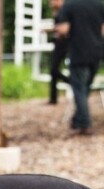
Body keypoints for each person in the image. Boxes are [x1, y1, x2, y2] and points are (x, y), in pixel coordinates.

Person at [56, 0, 104, 135]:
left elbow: (64, 28)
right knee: (85, 87)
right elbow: (102, 29)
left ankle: (84, 123)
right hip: (96, 51)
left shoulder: (70, 5)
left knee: (79, 88)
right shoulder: (98, 4)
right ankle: (78, 119)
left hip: (79, 51)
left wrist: (57, 30)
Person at [47, 0, 70, 105]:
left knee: (53, 69)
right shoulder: (57, 11)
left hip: (63, 43)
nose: (50, 3)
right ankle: (53, 98)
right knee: (53, 70)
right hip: (58, 42)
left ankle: (73, 82)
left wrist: (51, 30)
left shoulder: (64, 10)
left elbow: (64, 29)